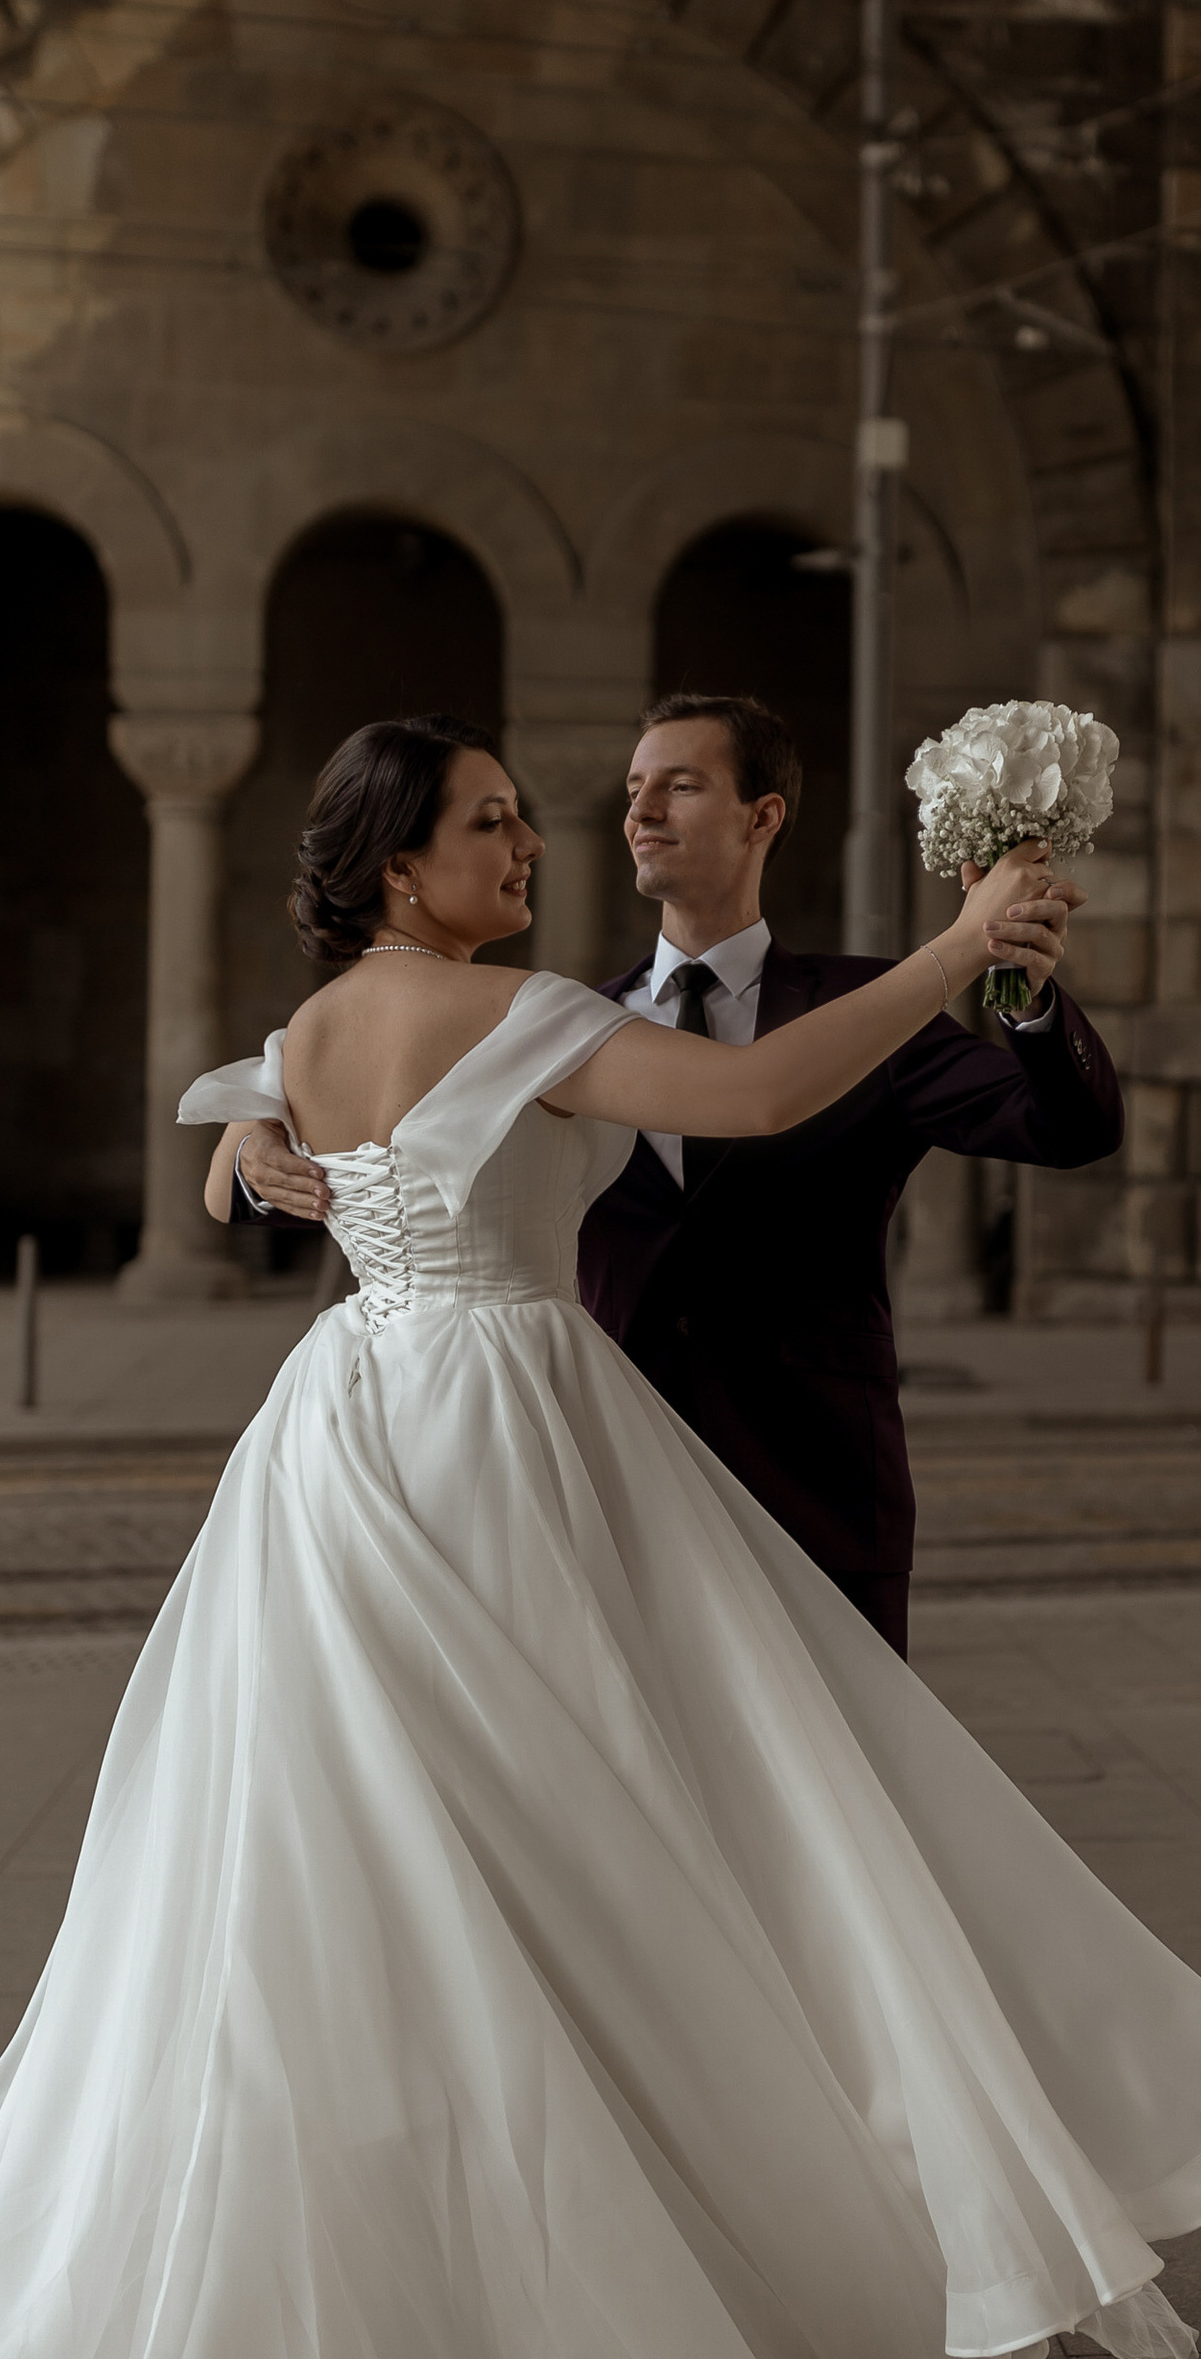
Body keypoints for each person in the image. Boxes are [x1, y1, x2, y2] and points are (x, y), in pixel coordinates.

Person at [0, 715, 1201, 2359]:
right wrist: (952, 937)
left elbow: (251, 1120)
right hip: (502, 1435)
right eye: (488, 824)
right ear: (400, 867)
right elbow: (746, 1097)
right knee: (617, 1858)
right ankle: (612, 2304)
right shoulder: (523, 1012)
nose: (532, 845)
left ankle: (349, 2337)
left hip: (341, 1443)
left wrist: (243, 1157)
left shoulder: (317, 1021)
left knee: (349, 1891)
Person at [237, 692, 1122, 1652]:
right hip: (591, 1471)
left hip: (809, 1471)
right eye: (632, 789)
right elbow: (373, 1184)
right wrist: (256, 1143)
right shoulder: (552, 1016)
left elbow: (1067, 1129)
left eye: (680, 785)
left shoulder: (868, 1011)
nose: (639, 812)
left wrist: (1022, 998)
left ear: (763, 817)